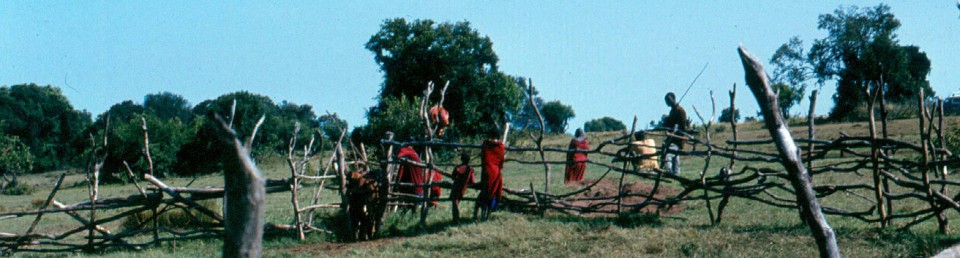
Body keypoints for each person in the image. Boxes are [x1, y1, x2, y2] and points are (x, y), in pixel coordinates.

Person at [475, 129, 505, 221]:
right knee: (492, 194)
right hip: (496, 173)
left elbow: (483, 156)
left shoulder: (486, 145)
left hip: (486, 171)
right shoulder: (501, 146)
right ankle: (487, 217)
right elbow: (501, 162)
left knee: (484, 193)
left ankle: (479, 215)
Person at [661, 92, 688, 175]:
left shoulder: (680, 111)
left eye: (668, 100)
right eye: (666, 101)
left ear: (673, 99)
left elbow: (683, 127)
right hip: (672, 137)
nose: (667, 102)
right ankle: (676, 172)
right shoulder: (673, 111)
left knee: (668, 154)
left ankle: (668, 171)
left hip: (677, 138)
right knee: (675, 155)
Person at [450, 152, 475, 223]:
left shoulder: (458, 167)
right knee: (456, 202)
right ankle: (456, 219)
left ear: (461, 159)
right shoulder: (470, 169)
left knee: (454, 203)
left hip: (456, 187)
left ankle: (456, 219)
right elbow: (472, 181)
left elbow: (453, 177)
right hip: (463, 188)